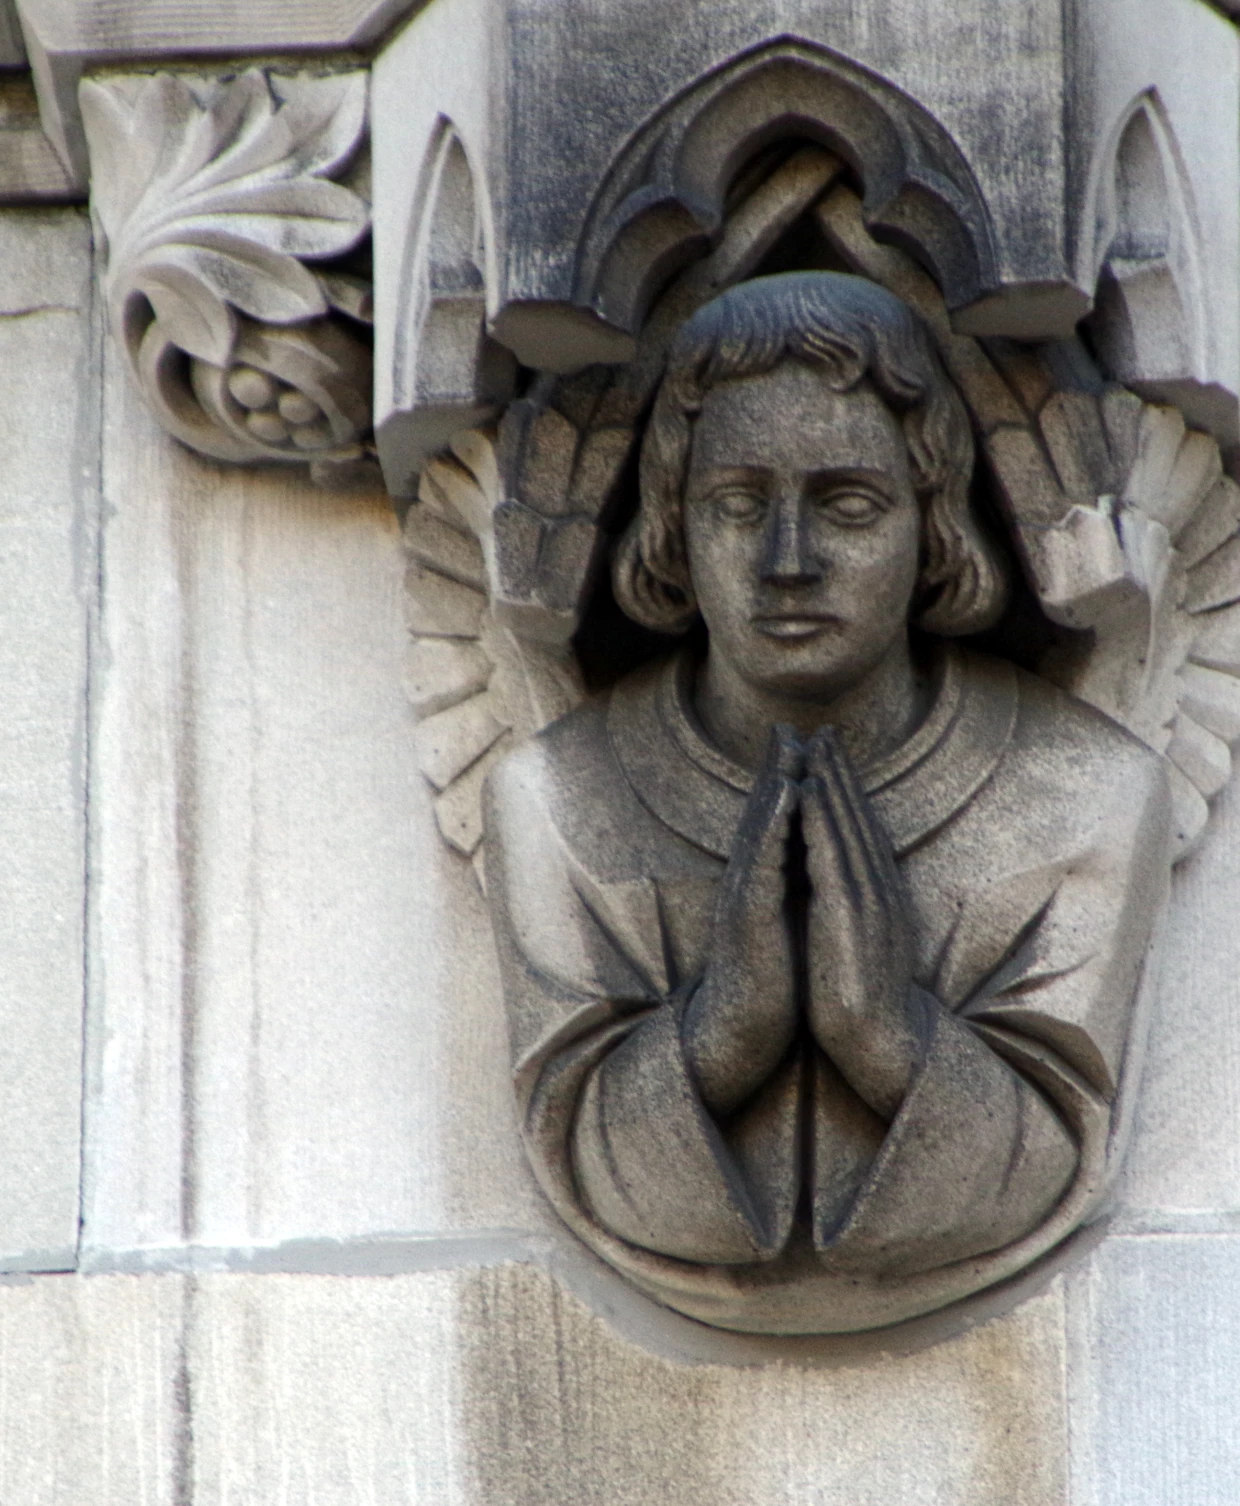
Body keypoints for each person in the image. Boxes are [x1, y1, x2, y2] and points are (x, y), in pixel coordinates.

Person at [483, 271, 1172, 1334]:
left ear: (933, 517)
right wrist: (724, 1029)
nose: (787, 562)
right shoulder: (559, 795)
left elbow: (1048, 1151)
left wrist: (884, 1031)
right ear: (672, 522)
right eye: (738, 504)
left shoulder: (1085, 793)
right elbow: (580, 1148)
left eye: (848, 503)